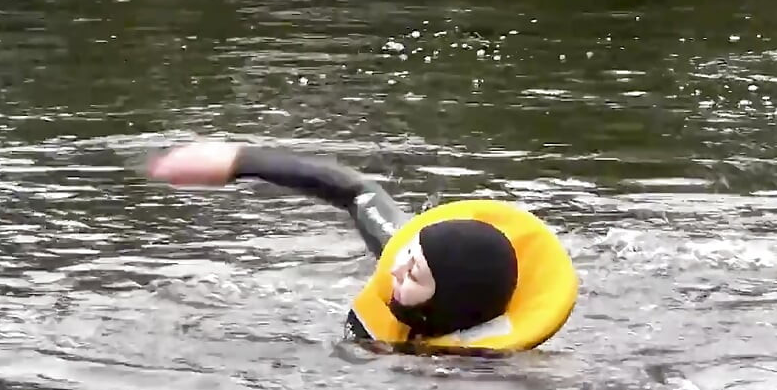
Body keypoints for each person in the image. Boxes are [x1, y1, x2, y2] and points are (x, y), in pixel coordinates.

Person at [146, 141, 578, 355]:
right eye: (407, 256)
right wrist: (239, 161)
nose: (394, 270)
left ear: (448, 303)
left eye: (414, 275)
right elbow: (356, 192)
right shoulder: (406, 257)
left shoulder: (491, 377)